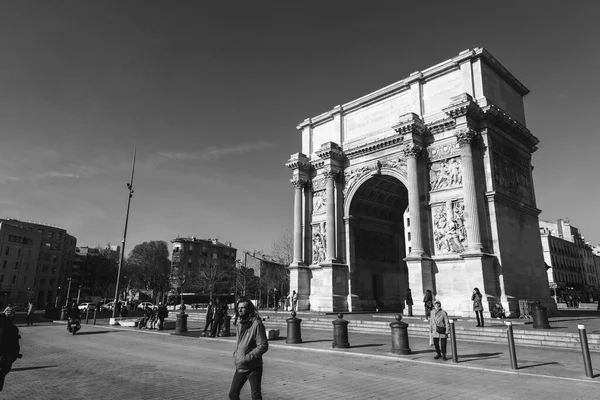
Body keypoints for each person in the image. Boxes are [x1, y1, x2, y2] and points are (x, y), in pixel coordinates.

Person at [229, 298, 268, 400]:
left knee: (255, 396)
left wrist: (246, 357)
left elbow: (263, 345)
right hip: (241, 366)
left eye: (243, 308)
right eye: (239, 308)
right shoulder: (240, 324)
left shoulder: (257, 324)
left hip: (253, 367)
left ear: (249, 309)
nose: (240, 310)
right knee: (233, 394)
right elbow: (240, 344)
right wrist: (237, 354)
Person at [0, 306, 21, 391]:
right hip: (4, 357)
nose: (13, 315)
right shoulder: (9, 327)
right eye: (11, 313)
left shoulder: (10, 326)